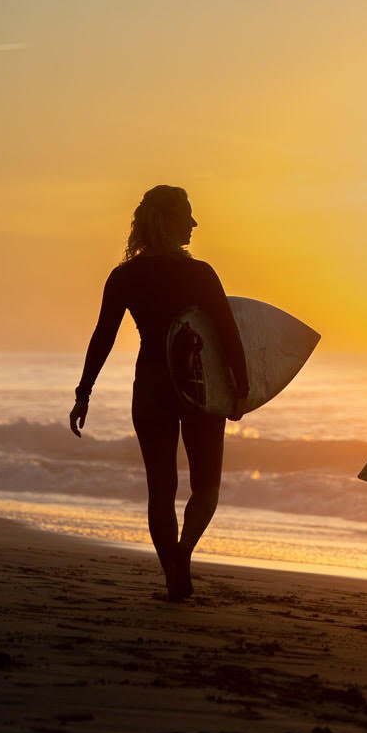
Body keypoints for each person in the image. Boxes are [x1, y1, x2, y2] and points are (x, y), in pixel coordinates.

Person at [69, 185, 248, 602]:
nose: (194, 222)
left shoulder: (124, 277)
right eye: (187, 214)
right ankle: (182, 557)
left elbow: (103, 338)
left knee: (161, 490)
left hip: (150, 386)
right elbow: (227, 332)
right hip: (197, 387)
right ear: (168, 221)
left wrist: (84, 392)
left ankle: (172, 573)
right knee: (206, 487)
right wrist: (241, 388)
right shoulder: (200, 274)